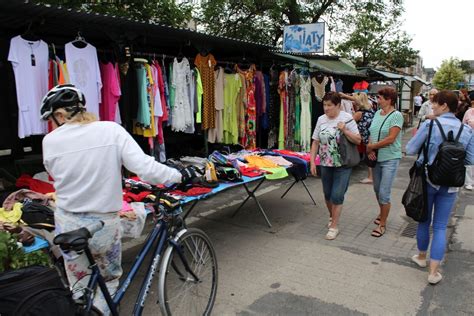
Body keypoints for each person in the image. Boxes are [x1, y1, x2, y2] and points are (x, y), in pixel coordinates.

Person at [40, 84, 198, 314]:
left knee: (80, 286)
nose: (53, 125)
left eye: (52, 119)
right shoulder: (110, 131)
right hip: (102, 224)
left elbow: (58, 174)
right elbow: (145, 169)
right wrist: (179, 175)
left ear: (61, 115)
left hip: (67, 224)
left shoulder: (49, 142)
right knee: (109, 281)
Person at [406, 90, 474, 284]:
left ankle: (421, 257)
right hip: (451, 184)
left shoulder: (430, 124)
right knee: (441, 226)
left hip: (427, 179)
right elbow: (470, 159)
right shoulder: (467, 130)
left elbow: (410, 149)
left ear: (444, 105)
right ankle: (433, 272)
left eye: (435, 103)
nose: (432, 105)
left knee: (423, 221)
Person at [310, 92, 361, 240]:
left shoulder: (347, 118)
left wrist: (344, 130)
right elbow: (315, 141)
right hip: (326, 163)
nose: (326, 108)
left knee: (337, 195)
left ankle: (334, 226)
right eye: (324, 105)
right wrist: (313, 161)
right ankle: (332, 216)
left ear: (338, 105)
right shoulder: (321, 119)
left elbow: (358, 140)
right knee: (327, 194)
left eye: (329, 105)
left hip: (343, 163)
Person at [366, 87, 404, 237]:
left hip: (390, 158)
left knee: (384, 192)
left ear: (389, 100)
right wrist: (369, 150)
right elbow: (372, 133)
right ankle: (382, 213)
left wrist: (371, 147)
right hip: (376, 158)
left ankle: (382, 224)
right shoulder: (377, 113)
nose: (377, 100)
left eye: (380, 98)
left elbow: (391, 138)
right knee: (377, 189)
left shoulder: (396, 116)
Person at [352, 92, 375, 184]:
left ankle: (370, 177)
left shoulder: (359, 113)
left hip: (366, 137)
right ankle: (372, 176)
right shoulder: (370, 109)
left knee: (369, 156)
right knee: (371, 155)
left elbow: (348, 122)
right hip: (372, 135)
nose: (354, 103)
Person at [462, 102, 474, 190]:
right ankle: (469, 182)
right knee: (470, 159)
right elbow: (463, 124)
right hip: (469, 136)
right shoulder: (469, 112)